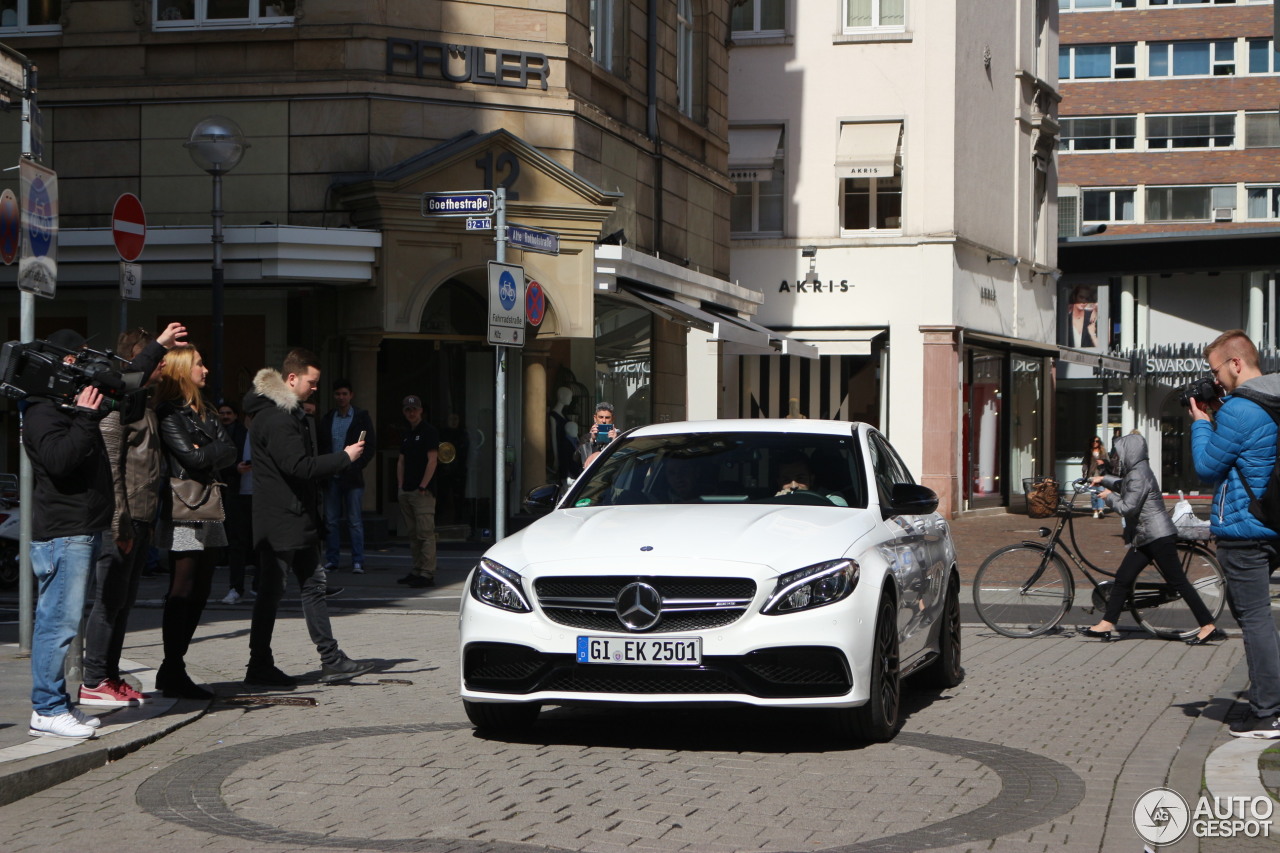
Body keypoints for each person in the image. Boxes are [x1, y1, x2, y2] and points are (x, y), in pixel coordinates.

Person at [23, 324, 178, 738]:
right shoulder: (41, 410)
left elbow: (121, 382)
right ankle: (48, 708)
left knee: (63, 621)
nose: (84, 369)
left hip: (79, 528)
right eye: (78, 358)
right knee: (57, 624)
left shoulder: (65, 405)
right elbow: (59, 460)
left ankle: (57, 704)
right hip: (63, 532)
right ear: (63, 362)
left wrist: (158, 347)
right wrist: (87, 419)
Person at [241, 348, 374, 686]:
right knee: (274, 591)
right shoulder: (276, 418)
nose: (316, 388)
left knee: (311, 585)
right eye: (311, 382)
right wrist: (344, 457)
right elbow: (299, 467)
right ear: (291, 379)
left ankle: (329, 659)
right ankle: (261, 666)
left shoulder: (286, 415)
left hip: (293, 519)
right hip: (281, 522)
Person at [79, 326, 177, 708]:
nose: (162, 364)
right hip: (123, 517)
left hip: (142, 515)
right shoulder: (120, 406)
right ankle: (93, 678)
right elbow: (112, 468)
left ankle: (112, 676)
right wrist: (119, 521)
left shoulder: (144, 403)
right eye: (156, 357)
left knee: (123, 602)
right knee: (107, 602)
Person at [1189, 329, 1280, 738]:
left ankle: (1268, 712)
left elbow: (1208, 466)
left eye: (1216, 370)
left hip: (1246, 530)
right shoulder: (1272, 399)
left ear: (1236, 363)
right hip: (1272, 522)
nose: (1216, 379)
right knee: (1261, 618)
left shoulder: (1241, 411)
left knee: (1255, 620)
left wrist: (1200, 423)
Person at [1079, 433, 1222, 645]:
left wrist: (1107, 496)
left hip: (1157, 537)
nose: (1117, 457)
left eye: (1120, 453)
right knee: (1123, 578)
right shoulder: (1138, 471)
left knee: (1179, 583)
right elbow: (1125, 484)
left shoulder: (1138, 474)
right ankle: (1107, 623)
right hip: (1146, 536)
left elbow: (1127, 507)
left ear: (1130, 453)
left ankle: (1207, 625)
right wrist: (1103, 479)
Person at [154, 347, 237, 699]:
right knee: (183, 587)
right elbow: (193, 456)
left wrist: (208, 449)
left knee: (203, 587)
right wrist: (208, 449)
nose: (205, 369)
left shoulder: (205, 410)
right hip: (184, 505)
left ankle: (174, 665)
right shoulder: (169, 412)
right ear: (182, 370)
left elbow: (228, 451)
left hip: (210, 503)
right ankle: (173, 666)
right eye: (199, 364)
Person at [318, 380, 374, 574]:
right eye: (337, 394)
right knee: (331, 520)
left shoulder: (360, 417)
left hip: (352, 476)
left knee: (354, 520)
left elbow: (369, 445)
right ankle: (332, 559)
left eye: (344, 394)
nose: (341, 397)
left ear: (351, 395)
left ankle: (358, 560)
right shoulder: (328, 418)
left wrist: (356, 465)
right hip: (332, 475)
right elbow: (323, 445)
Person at [396, 395, 439, 589]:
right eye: (407, 410)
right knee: (413, 534)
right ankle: (417, 570)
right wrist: (400, 485)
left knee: (425, 534)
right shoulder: (407, 433)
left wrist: (423, 486)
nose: (411, 413)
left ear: (421, 410)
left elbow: (433, 460)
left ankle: (427, 573)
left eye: (414, 409)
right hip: (407, 491)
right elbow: (401, 461)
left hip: (422, 492)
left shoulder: (429, 432)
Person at [216, 400, 251, 603]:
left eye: (229, 412)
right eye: (223, 413)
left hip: (258, 494)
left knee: (259, 543)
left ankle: (259, 585)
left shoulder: (256, 434)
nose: (226, 416)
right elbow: (221, 462)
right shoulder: (225, 434)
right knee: (236, 541)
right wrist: (234, 469)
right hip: (236, 492)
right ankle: (236, 587)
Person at [773, 452, 849, 507]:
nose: (794, 486)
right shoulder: (771, 503)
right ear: (779, 482)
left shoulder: (832, 499)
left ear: (811, 479)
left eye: (800, 478)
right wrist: (777, 504)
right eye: (786, 480)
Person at [578, 402, 619, 470]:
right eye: (600, 417)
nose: (603, 421)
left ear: (612, 419)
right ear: (595, 418)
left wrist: (614, 441)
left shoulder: (620, 437)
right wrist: (591, 439)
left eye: (607, 417)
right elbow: (577, 459)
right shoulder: (586, 438)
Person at [1082, 436, 1109, 519]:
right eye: (1093, 441)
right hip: (1092, 475)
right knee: (1093, 494)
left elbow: (1108, 462)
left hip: (1101, 474)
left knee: (1101, 492)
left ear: (1099, 442)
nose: (1095, 442)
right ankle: (1095, 510)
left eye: (1097, 441)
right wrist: (1084, 473)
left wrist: (1103, 462)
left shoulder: (1103, 452)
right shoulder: (1088, 452)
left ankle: (1101, 510)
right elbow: (1085, 463)